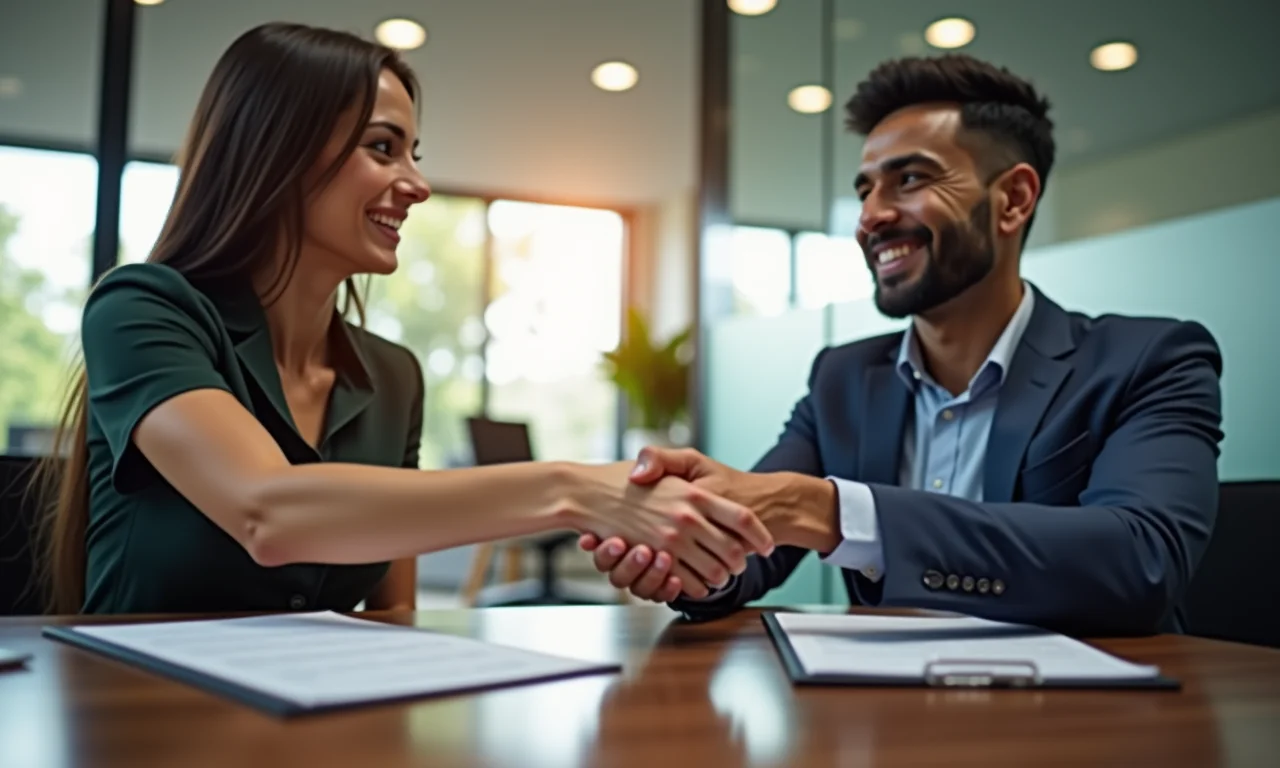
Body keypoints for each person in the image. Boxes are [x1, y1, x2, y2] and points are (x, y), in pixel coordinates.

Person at [32, 22, 773, 616]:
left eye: (413, 154)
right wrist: (575, 488)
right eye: (382, 148)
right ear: (277, 153)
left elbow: (392, 616)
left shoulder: (394, 376)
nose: (416, 185)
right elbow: (268, 512)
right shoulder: (142, 310)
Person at [581, 53, 1224, 636]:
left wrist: (833, 510)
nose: (870, 217)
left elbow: (1143, 561)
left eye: (910, 179)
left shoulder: (1148, 360)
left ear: (1013, 200)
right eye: (864, 189)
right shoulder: (842, 377)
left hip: (1085, 727)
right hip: (885, 724)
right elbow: (757, 543)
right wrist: (691, 559)